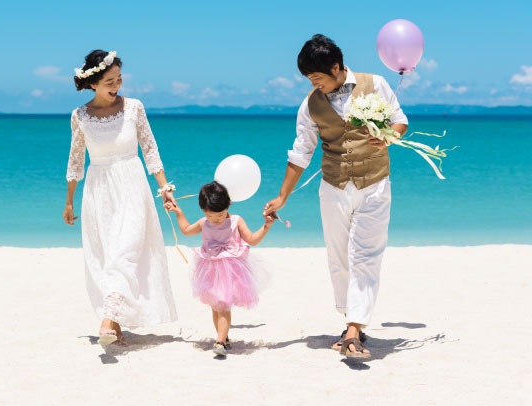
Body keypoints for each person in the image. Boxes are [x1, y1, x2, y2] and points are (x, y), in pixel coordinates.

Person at [264, 34, 408, 360]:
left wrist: (387, 138)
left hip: (375, 185)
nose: (314, 85)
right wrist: (283, 195)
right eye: (309, 80)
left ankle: (355, 330)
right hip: (333, 188)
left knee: (367, 255)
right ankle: (350, 322)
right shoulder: (310, 103)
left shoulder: (377, 84)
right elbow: (300, 152)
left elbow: (400, 121)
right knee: (338, 258)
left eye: (317, 77)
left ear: (336, 67)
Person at [63, 49, 178, 346]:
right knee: (105, 255)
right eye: (110, 81)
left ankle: (107, 317)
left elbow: (150, 150)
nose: (116, 86)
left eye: (119, 79)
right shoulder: (80, 116)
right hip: (98, 190)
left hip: (132, 185)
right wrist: (69, 201)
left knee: (125, 251)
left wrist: (165, 190)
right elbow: (75, 161)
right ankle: (114, 325)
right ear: (92, 84)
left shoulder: (134, 108)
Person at [166, 181, 272, 356]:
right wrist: (178, 212)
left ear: (228, 205)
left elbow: (252, 239)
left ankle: (220, 341)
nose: (215, 220)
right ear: (203, 211)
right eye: (210, 216)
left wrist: (266, 225)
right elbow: (185, 230)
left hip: (230, 269)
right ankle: (223, 337)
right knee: (215, 306)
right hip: (209, 269)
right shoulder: (203, 223)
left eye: (220, 215)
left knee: (223, 304)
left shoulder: (236, 221)